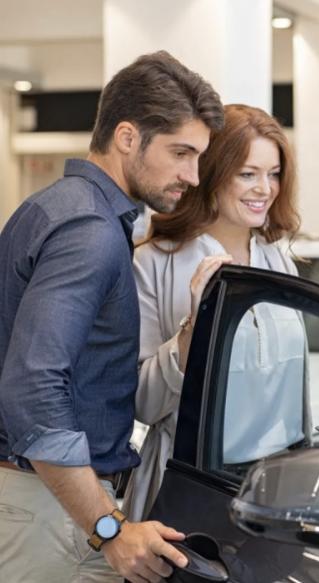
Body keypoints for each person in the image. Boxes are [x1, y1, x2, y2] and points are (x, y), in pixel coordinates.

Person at [0, 51, 223, 583]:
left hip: (42, 505)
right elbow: (33, 387)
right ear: (127, 137)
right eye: (180, 153)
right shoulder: (90, 230)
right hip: (55, 514)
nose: (192, 176)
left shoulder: (54, 207)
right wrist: (108, 528)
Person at [124, 104, 306, 523]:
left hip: (274, 492)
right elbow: (143, 404)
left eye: (273, 173)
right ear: (212, 174)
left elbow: (292, 396)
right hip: (189, 488)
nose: (264, 188)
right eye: (248, 174)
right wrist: (192, 330)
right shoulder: (155, 263)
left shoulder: (278, 261)